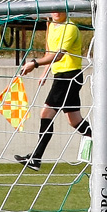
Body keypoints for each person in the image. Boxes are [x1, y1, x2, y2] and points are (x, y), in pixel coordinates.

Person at [13, 10, 92, 171]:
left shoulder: (70, 28)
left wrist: (34, 63)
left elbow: (58, 56)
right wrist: (44, 73)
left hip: (69, 76)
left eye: (61, 8)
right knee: (74, 120)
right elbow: (50, 54)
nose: (56, 12)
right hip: (60, 76)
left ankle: (36, 158)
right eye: (54, 8)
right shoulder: (51, 26)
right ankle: (98, 141)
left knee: (46, 113)